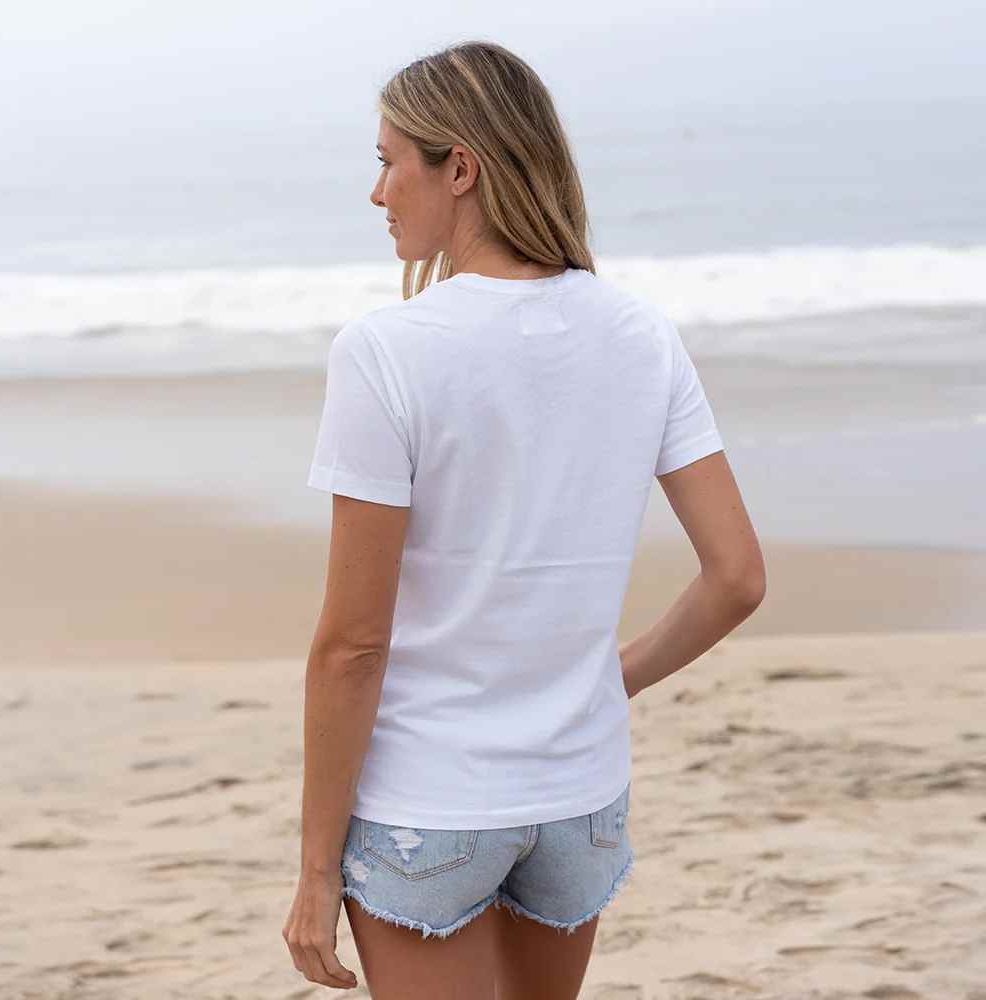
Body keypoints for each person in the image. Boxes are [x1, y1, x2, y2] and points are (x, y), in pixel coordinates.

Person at [280, 41, 766, 998]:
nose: (378, 193)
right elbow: (738, 578)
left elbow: (351, 647)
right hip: (578, 801)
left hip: (432, 803)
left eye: (388, 162)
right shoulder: (640, 335)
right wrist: (602, 681)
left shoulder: (387, 352)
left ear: (458, 168)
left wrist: (312, 872)